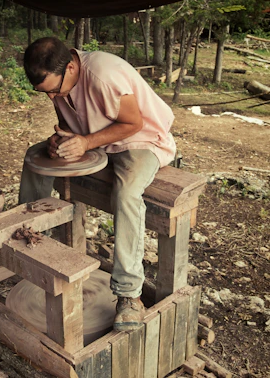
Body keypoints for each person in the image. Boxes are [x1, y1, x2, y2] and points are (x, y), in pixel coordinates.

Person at [19, 36, 176, 331]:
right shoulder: (60, 81)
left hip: (139, 140)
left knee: (127, 193)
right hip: (96, 140)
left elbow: (134, 123)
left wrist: (86, 142)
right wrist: (59, 141)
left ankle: (130, 295)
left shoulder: (104, 75)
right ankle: (28, 242)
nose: (52, 97)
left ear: (70, 67)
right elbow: (67, 123)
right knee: (35, 159)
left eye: (53, 90)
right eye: (44, 93)